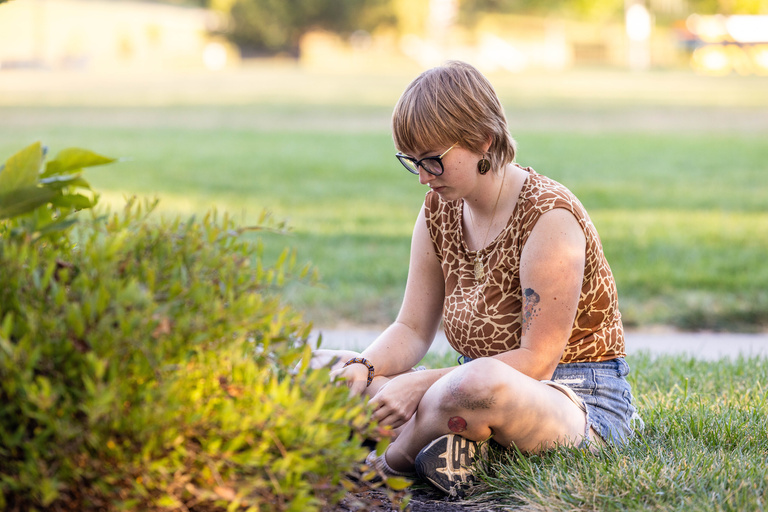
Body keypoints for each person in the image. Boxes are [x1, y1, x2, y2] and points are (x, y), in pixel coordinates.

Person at [309, 60, 642, 497]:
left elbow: (537, 362)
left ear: (482, 140)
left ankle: (379, 469)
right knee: (324, 367)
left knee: (473, 387)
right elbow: (410, 328)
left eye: (434, 160)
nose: (424, 178)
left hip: (572, 398)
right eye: (412, 162)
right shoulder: (438, 208)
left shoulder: (549, 216)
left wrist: (419, 384)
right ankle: (456, 447)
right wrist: (364, 367)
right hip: (461, 391)